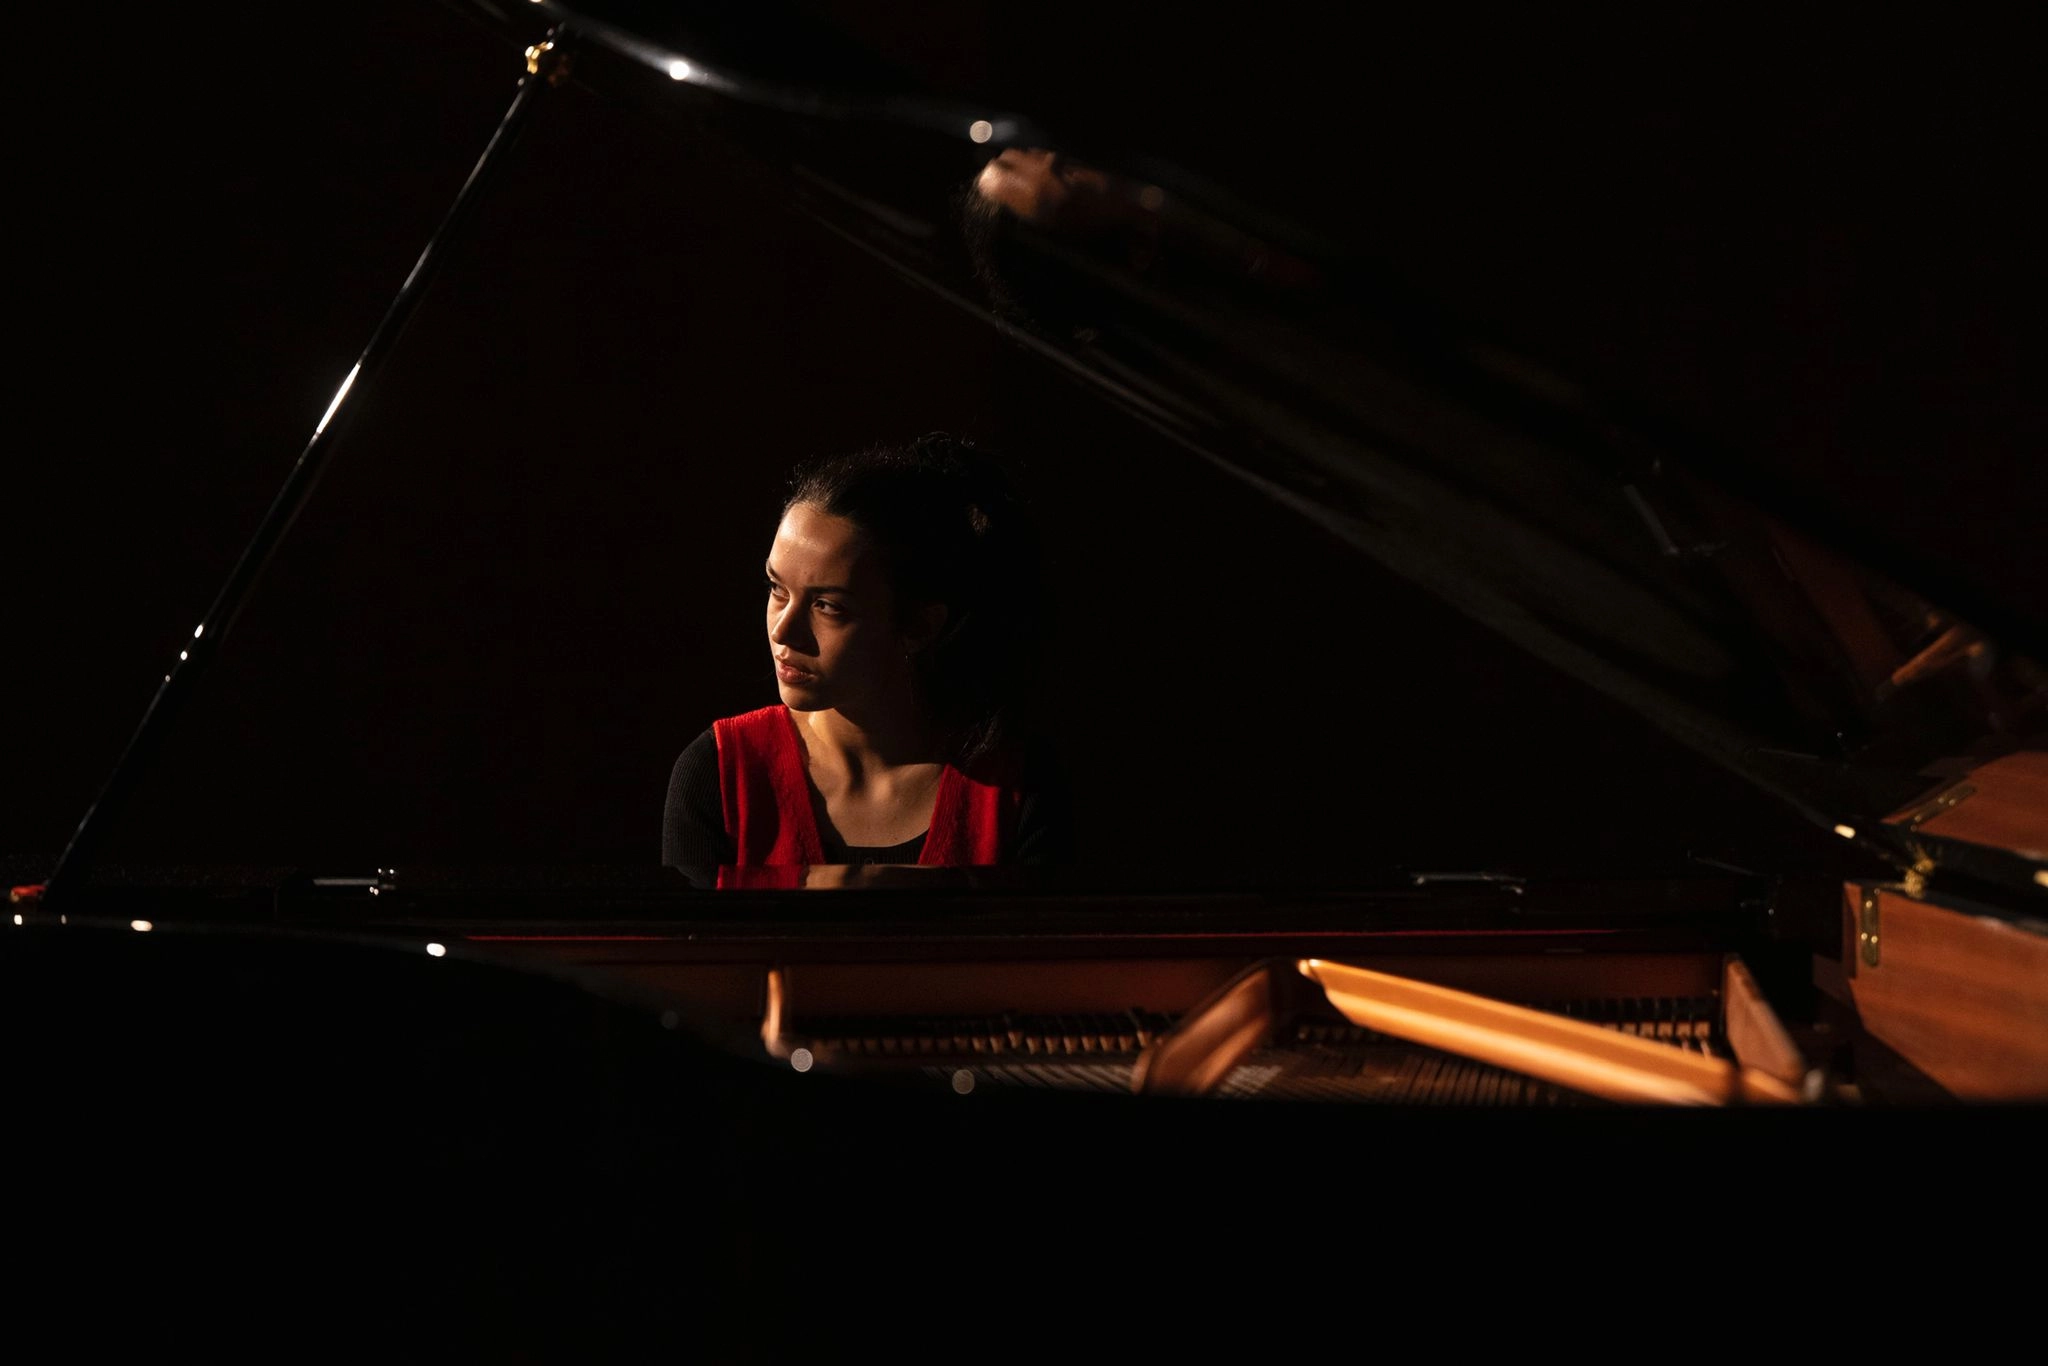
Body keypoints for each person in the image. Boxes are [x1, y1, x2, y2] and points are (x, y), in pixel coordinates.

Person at [663, 434, 1068, 870]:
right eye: (777, 589)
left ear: (919, 625)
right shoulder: (720, 773)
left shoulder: (1017, 787)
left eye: (828, 606)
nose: (783, 631)